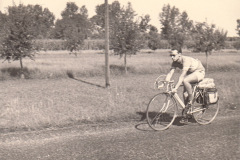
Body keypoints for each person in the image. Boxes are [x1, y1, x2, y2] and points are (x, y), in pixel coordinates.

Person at [165, 48, 205, 123]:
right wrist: (165, 81)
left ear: (179, 55)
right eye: (171, 55)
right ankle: (187, 114)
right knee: (184, 94)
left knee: (185, 80)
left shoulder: (186, 60)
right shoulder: (174, 62)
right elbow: (170, 73)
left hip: (199, 72)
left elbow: (182, 76)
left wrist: (176, 88)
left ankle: (190, 101)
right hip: (191, 73)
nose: (172, 57)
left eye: (173, 55)